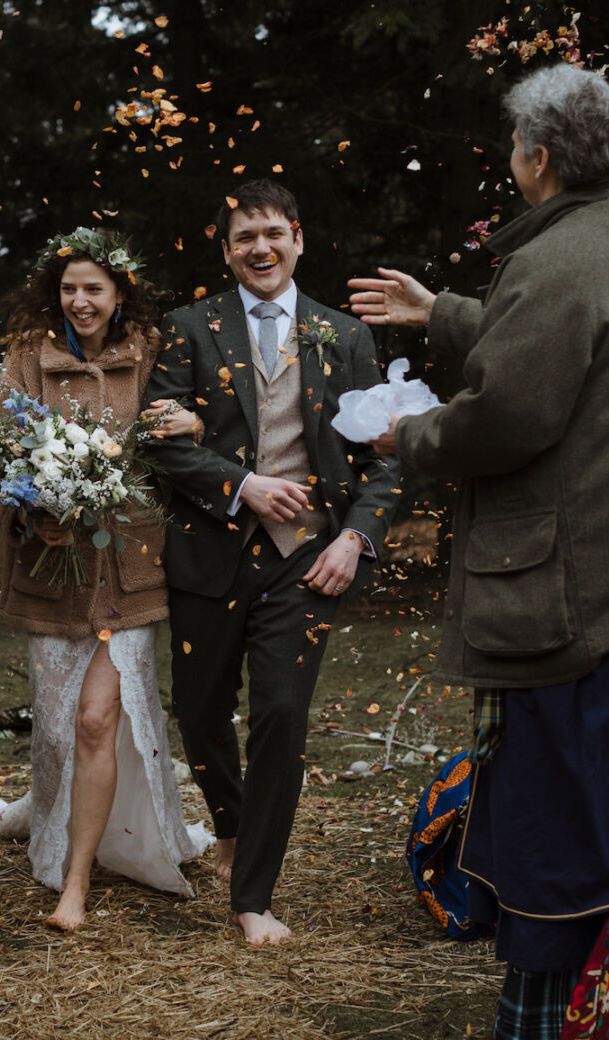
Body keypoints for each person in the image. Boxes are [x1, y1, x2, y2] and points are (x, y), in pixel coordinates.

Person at [349, 63, 609, 1040]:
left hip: (578, 614)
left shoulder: (558, 259)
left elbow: (511, 413)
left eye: (513, 146)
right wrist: (444, 311)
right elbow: (569, 337)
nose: (511, 160)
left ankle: (547, 1023)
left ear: (538, 158)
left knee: (568, 860)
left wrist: (405, 438)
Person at [144, 179, 400, 945]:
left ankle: (252, 896)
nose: (260, 249)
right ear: (226, 250)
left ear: (297, 237)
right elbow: (160, 441)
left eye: (272, 235)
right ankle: (229, 823)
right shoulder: (190, 327)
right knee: (199, 711)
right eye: (243, 238)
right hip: (209, 553)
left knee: (282, 714)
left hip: (308, 558)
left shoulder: (344, 336)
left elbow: (384, 458)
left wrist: (356, 539)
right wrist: (242, 485)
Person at [0, 228, 209, 929]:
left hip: (128, 571)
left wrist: (192, 424)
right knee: (55, 733)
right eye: (69, 288)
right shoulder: (28, 359)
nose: (80, 301)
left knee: (96, 720)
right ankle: (47, 824)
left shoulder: (150, 354)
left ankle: (74, 886)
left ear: (119, 294)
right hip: (55, 571)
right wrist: (34, 505)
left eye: (94, 289)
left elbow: (183, 429)